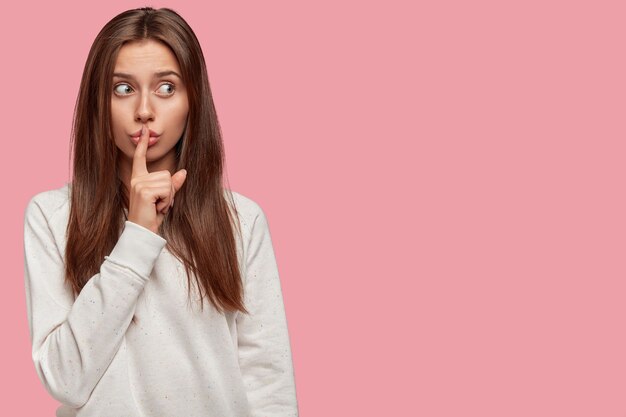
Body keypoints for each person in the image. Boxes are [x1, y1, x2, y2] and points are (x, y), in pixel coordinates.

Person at [23, 6, 298, 417]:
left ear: (193, 100)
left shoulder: (241, 221)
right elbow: (65, 379)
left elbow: (268, 382)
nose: (145, 110)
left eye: (167, 88)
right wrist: (136, 235)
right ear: (99, 102)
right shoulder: (52, 216)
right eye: (122, 89)